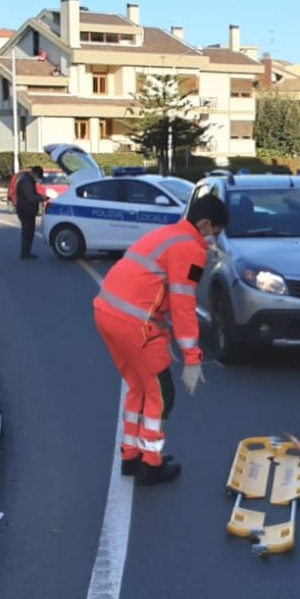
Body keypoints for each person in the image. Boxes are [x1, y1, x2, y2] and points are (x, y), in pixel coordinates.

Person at [93, 195, 228, 486]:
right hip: (136, 324)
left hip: (109, 313)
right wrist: (193, 358)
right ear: (204, 224)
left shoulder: (167, 234)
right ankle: (150, 464)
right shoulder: (192, 251)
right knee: (161, 394)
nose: (214, 240)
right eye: (215, 233)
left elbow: (157, 291)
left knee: (140, 388)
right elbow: (183, 304)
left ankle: (130, 457)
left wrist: (166, 339)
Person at [15, 166, 48, 259]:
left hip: (28, 210)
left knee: (29, 232)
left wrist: (41, 196)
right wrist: (42, 198)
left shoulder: (29, 180)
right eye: (39, 177)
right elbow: (30, 197)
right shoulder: (26, 181)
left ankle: (26, 252)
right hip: (26, 210)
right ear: (35, 174)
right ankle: (25, 253)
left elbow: (33, 194)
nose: (39, 180)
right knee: (27, 232)